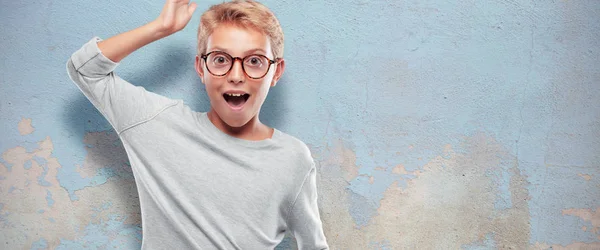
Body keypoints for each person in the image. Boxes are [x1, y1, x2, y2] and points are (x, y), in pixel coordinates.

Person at [65, 0, 329, 249]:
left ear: (276, 72)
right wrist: (160, 28)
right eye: (221, 59)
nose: (236, 76)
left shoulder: (293, 160)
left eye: (254, 61)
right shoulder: (157, 124)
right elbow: (84, 69)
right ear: (201, 68)